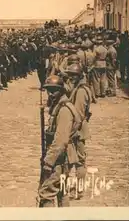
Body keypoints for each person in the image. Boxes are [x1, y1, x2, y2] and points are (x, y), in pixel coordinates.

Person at [38, 75, 83, 207]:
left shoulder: (64, 110)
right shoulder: (60, 106)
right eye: (49, 90)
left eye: (54, 90)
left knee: (46, 192)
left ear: (62, 90)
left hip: (60, 158)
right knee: (62, 192)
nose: (51, 94)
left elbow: (61, 141)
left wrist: (48, 161)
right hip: (63, 156)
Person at [65, 63, 92, 199]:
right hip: (78, 129)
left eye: (73, 75)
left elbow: (79, 115)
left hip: (78, 130)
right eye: (70, 75)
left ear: (79, 75)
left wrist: (70, 132)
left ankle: (79, 189)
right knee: (73, 159)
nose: (71, 77)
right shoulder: (78, 87)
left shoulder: (81, 91)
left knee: (79, 161)